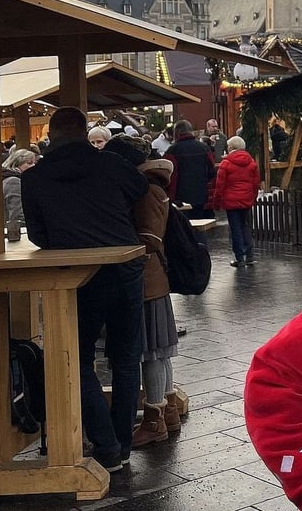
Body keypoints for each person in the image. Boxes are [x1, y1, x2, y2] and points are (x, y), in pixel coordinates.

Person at [21, 106, 148, 473]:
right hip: (124, 265)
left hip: (77, 275)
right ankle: (122, 445)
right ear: (82, 131)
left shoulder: (34, 178)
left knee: (75, 357)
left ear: (51, 133)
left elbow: (38, 236)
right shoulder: (109, 163)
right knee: (125, 359)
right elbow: (141, 188)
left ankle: (105, 446)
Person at [102, 136, 182, 447]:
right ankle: (168, 408)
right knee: (159, 351)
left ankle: (154, 418)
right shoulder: (154, 185)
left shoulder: (143, 190)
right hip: (155, 276)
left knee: (150, 352)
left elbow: (147, 238)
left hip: (145, 278)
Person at [214, 136, 260, 267]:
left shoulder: (226, 164)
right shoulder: (251, 163)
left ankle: (239, 258)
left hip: (231, 201)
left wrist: (217, 203)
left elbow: (220, 185)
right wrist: (253, 197)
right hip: (246, 200)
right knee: (245, 226)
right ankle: (250, 255)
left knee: (235, 229)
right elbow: (255, 183)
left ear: (231, 148)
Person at [164, 120, 215, 219]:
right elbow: (211, 171)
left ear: (177, 132)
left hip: (179, 197)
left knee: (183, 226)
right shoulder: (204, 148)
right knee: (199, 225)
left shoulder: (172, 150)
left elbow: (166, 173)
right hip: (200, 195)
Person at [2, 148, 38, 241]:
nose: (33, 166)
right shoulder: (14, 181)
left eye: (34, 163)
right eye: (29, 163)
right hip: (16, 233)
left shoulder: (8, 178)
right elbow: (17, 213)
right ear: (16, 164)